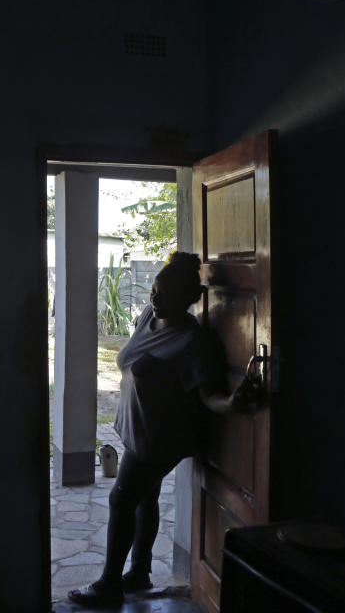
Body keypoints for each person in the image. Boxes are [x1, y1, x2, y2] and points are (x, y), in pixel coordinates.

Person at [68, 251, 261, 608]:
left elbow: (209, 397)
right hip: (137, 428)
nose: (156, 299)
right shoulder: (148, 317)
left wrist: (233, 404)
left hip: (159, 440)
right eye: (155, 290)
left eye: (165, 295)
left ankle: (110, 584)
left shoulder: (192, 342)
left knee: (121, 498)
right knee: (146, 497)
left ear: (189, 300)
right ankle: (139, 572)